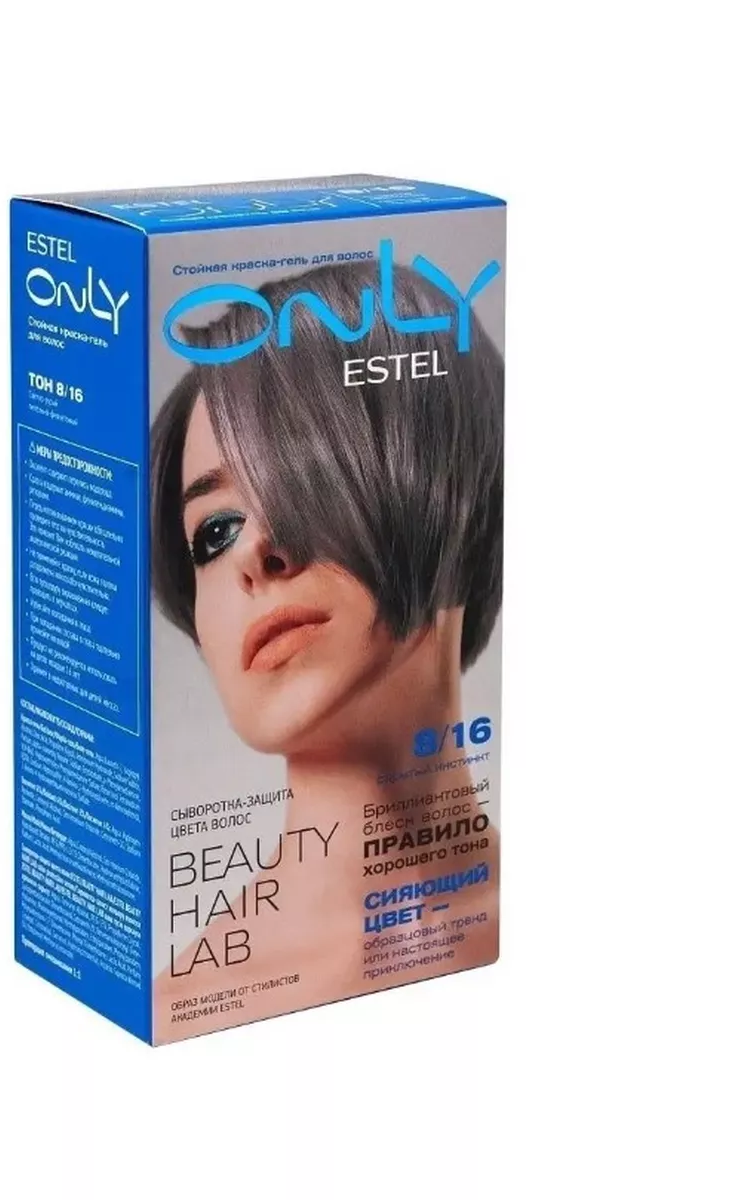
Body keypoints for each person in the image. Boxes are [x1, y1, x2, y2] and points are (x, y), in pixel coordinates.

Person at [150, 256, 503, 1037]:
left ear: (448, 488)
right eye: (214, 531)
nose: (252, 554)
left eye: (302, 478)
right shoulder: (178, 1017)